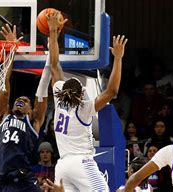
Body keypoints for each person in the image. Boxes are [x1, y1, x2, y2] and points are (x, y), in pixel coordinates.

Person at [48, 8, 128, 190]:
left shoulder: (59, 95)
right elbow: (112, 91)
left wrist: (53, 33)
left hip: (61, 165)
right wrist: (118, 58)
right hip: (81, 162)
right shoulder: (84, 108)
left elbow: (54, 64)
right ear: (80, 96)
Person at [0, 22, 51, 191]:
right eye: (18, 99)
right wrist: (11, 49)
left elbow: (43, 88)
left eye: (25, 101)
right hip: (3, 182)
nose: (20, 100)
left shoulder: (33, 122)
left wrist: (51, 47)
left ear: (31, 111)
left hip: (25, 181)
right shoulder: (2, 116)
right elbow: (5, 83)